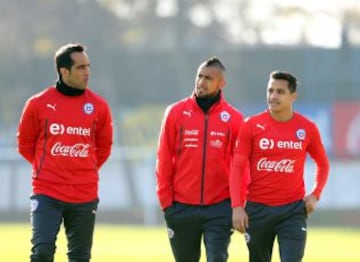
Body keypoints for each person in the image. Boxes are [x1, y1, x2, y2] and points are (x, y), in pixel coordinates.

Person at [17, 43, 113, 262]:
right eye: (80, 67)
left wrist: (82, 169)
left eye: (88, 66)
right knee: (41, 252)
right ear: (64, 71)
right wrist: (51, 167)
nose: (87, 72)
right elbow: (25, 145)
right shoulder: (38, 104)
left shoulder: (99, 106)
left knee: (79, 257)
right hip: (47, 192)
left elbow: (104, 147)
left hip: (84, 194)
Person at [230, 70, 330, 262]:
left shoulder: (307, 128)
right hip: (257, 210)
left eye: (280, 92)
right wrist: (237, 207)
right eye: (270, 90)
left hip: (293, 211)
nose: (273, 96)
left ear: (293, 97)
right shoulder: (251, 125)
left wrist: (316, 194)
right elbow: (237, 167)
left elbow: (323, 163)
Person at [156, 57, 246, 262]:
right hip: (180, 207)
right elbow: (163, 157)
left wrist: (238, 203)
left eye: (208, 78)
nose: (201, 82)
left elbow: (241, 166)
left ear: (221, 84)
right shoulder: (175, 112)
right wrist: (166, 202)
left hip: (219, 208)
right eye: (199, 76)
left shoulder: (234, 118)